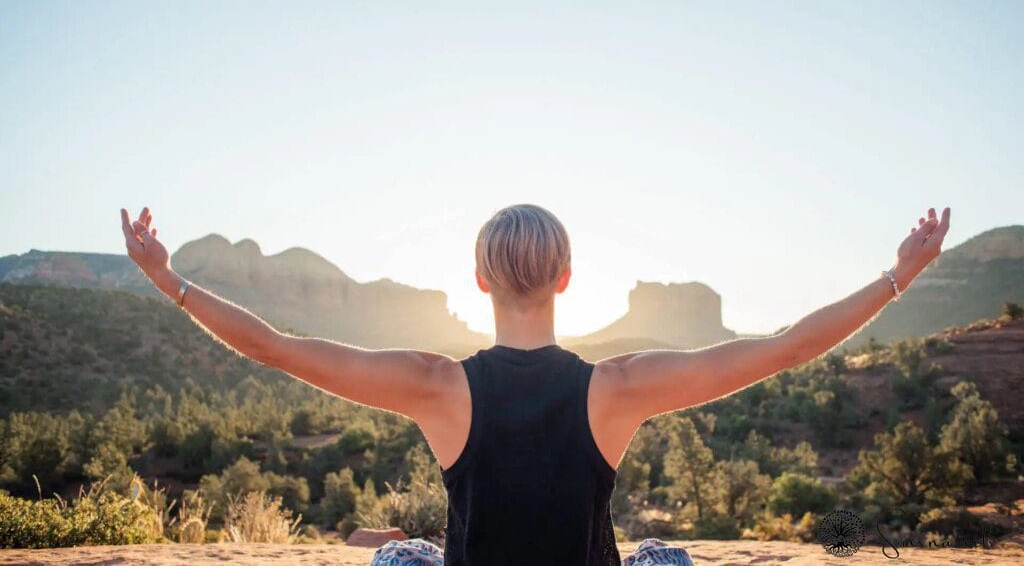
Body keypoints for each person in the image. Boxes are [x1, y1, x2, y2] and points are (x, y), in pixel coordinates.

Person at [119, 203, 951, 566]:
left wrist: (172, 283)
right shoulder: (616, 388)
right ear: (565, 279)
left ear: (480, 283)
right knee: (670, 555)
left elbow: (275, 348)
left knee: (400, 555)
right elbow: (781, 348)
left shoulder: (436, 386)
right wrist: (897, 277)